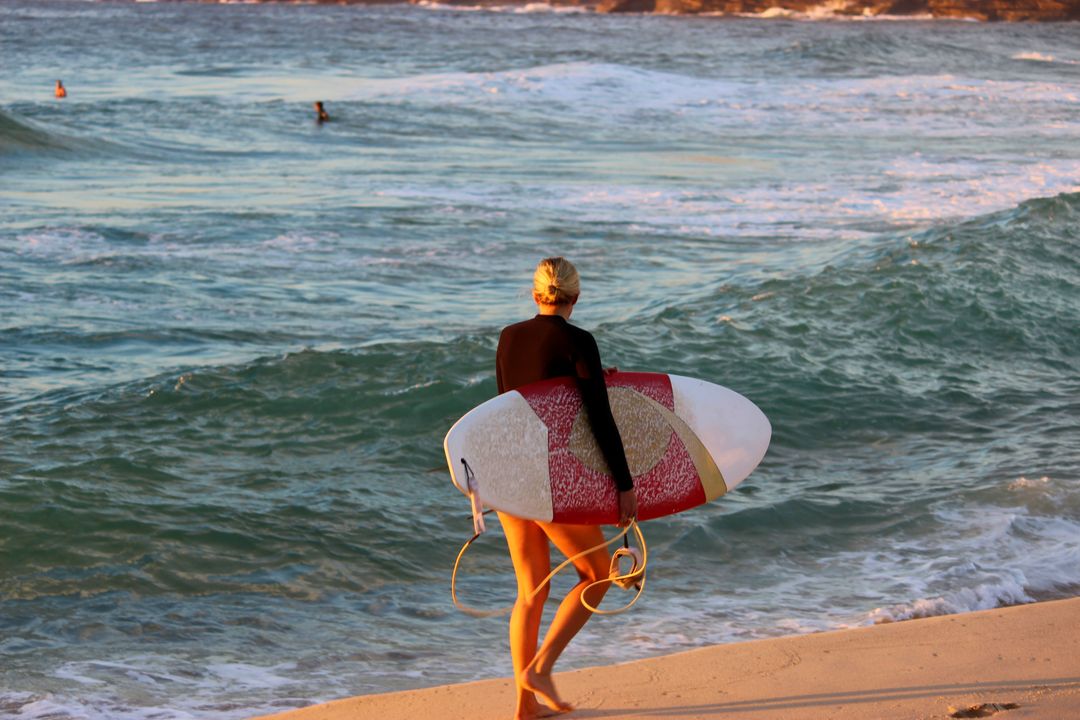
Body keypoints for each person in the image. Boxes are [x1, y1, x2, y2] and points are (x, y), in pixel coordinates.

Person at [495, 257, 637, 720]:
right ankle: (540, 669)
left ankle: (525, 706)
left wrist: (593, 380)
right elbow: (599, 419)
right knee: (597, 575)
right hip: (549, 480)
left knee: (531, 589)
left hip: (508, 473)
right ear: (575, 298)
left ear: (535, 294)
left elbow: (517, 403)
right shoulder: (580, 341)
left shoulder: (509, 337)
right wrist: (624, 485)